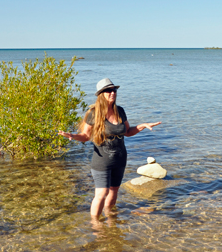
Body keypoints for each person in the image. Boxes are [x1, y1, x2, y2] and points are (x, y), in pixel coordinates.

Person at [58, 78, 161, 220]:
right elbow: (86, 136)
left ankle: (111, 220)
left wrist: (142, 125)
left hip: (120, 157)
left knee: (114, 191)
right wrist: (73, 136)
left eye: (114, 90)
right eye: (108, 90)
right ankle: (95, 225)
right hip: (102, 160)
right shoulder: (93, 113)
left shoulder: (120, 111)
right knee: (101, 193)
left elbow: (127, 132)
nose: (112, 93)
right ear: (101, 94)